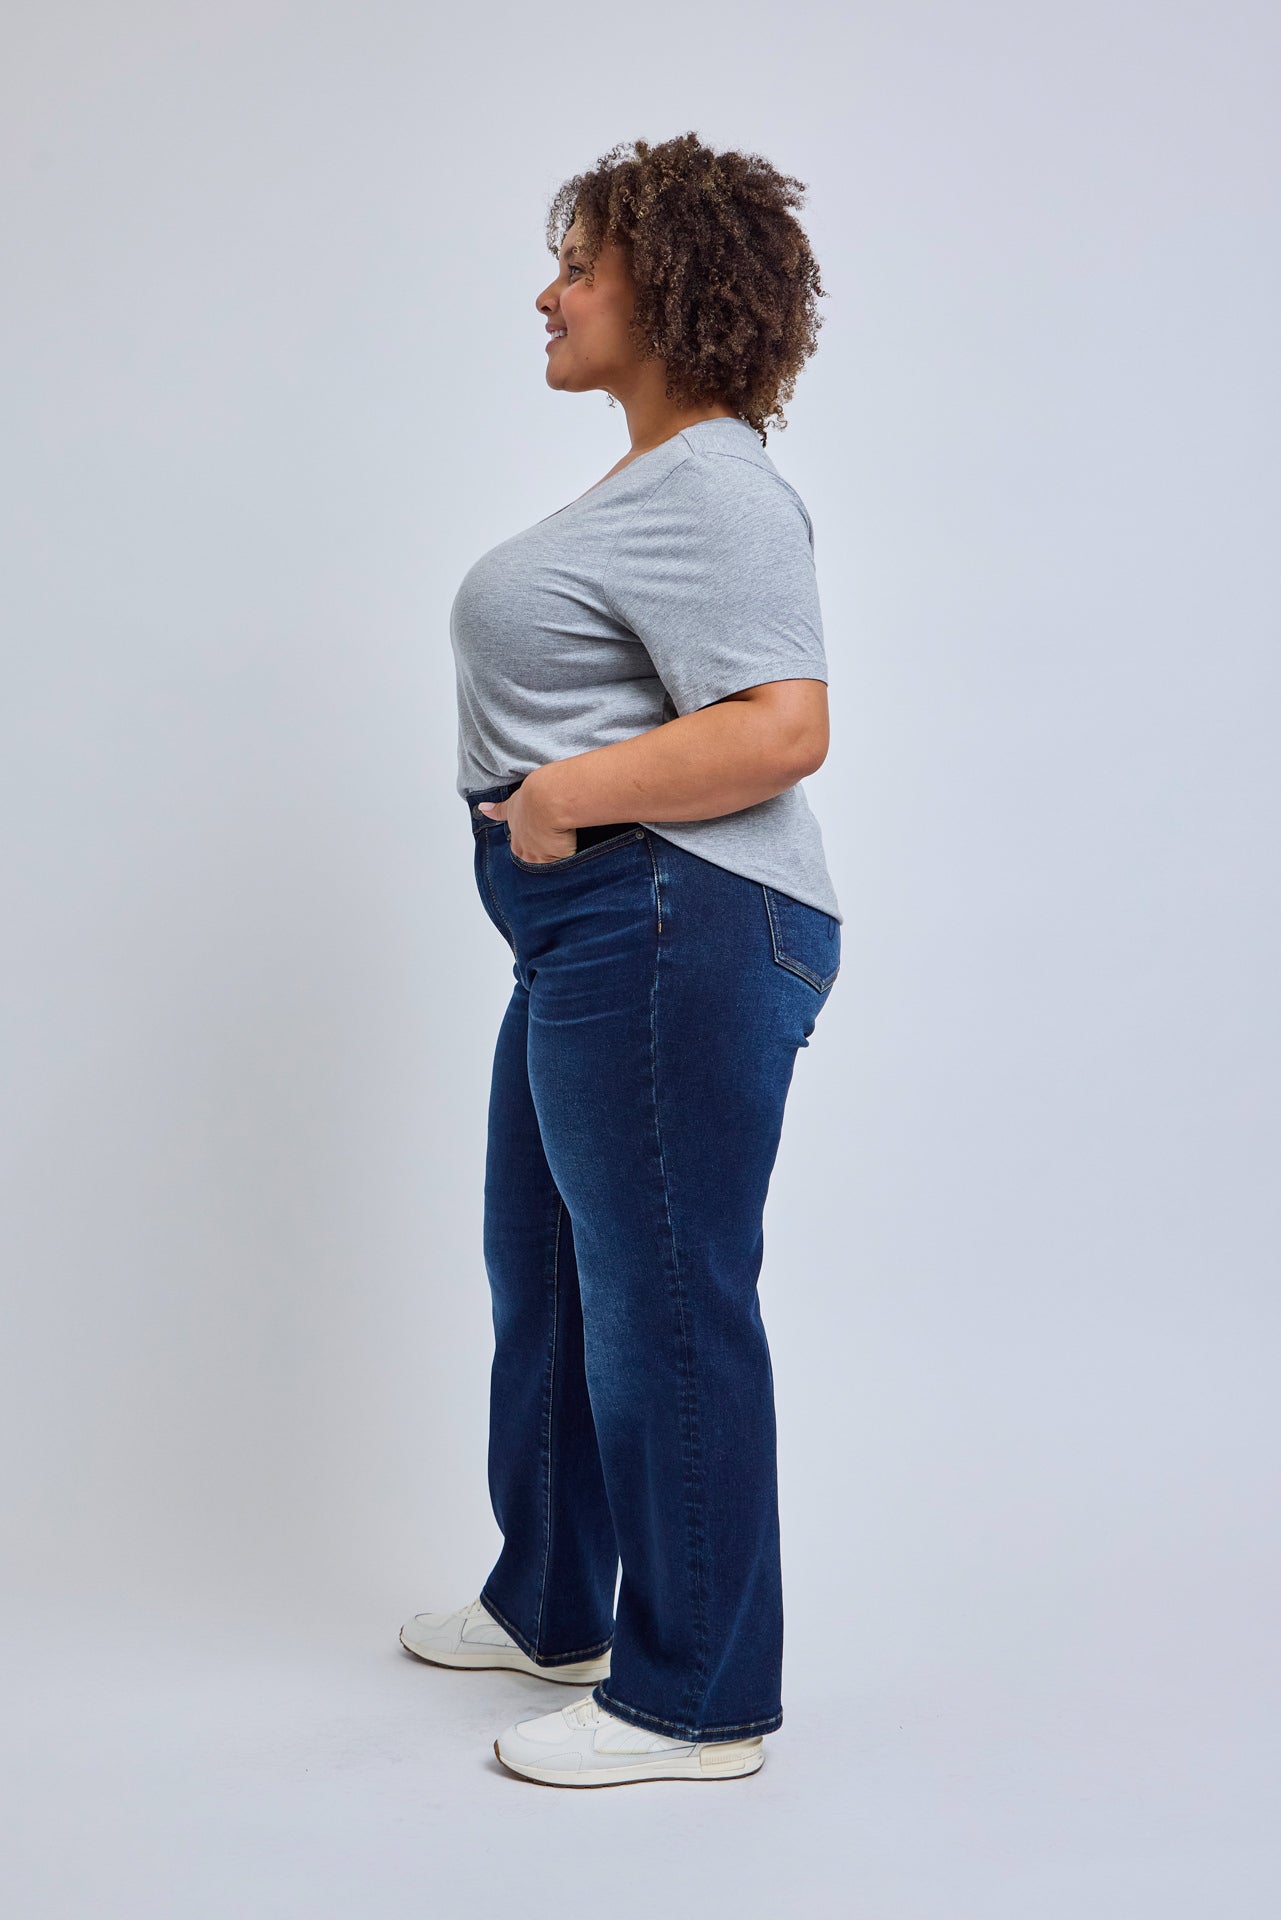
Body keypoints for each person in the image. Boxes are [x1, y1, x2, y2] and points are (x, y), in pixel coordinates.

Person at [401, 131, 843, 1787]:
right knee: (550, 1272)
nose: (549, 288)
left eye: (578, 262)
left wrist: (561, 795)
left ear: (662, 282)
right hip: (600, 931)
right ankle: (549, 1607)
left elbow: (783, 726)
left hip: (671, 915)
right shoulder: (651, 485)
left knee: (661, 1299)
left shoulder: (716, 485)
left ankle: (697, 1700)